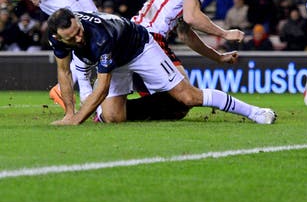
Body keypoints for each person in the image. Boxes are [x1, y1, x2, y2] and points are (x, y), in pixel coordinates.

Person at [47, 8, 276, 125]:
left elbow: (104, 86)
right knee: (113, 118)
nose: (78, 38)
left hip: (139, 47)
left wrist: (78, 120)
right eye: (72, 38)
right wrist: (69, 114)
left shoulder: (100, 35)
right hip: (115, 59)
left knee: (189, 96)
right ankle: (158, 104)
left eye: (79, 31)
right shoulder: (56, 37)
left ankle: (254, 113)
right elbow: (64, 71)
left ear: (78, 21)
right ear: (58, 36)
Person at [127, 0, 246, 120]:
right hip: (148, 40)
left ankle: (114, 111)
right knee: (184, 100)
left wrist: (219, 57)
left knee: (177, 105)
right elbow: (192, 17)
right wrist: (225, 33)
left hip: (135, 37)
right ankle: (114, 111)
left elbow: (185, 34)